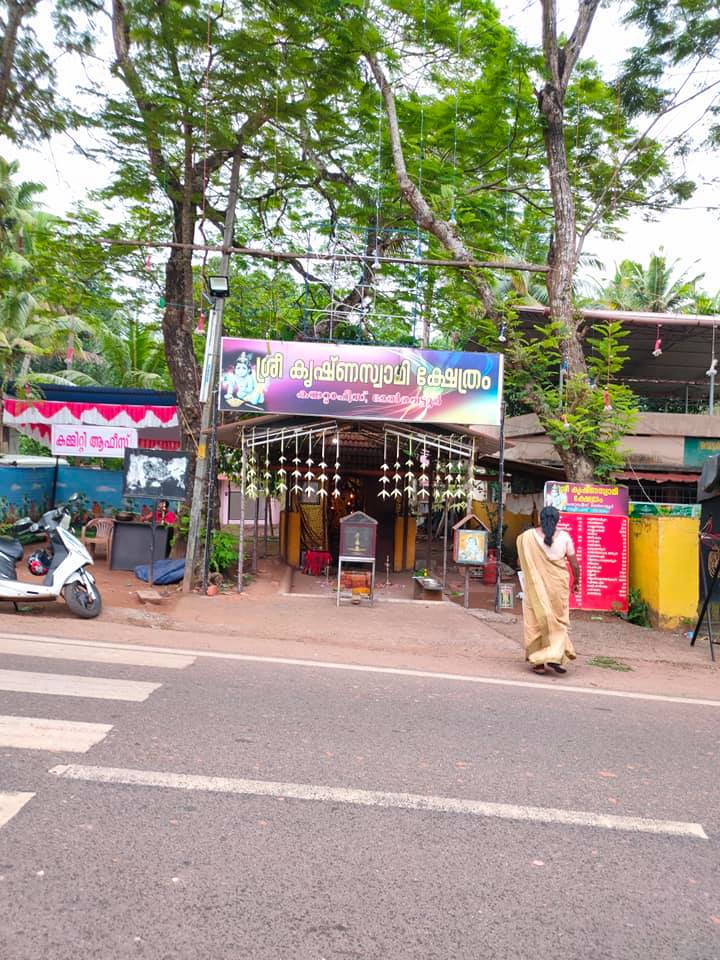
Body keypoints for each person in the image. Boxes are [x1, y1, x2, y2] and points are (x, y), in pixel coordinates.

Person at [516, 506, 580, 676]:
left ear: (540, 519)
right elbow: (574, 564)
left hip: (535, 587)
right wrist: (577, 582)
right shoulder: (565, 537)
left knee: (536, 620)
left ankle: (538, 663)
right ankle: (554, 656)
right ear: (557, 520)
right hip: (558, 587)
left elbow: (520, 561)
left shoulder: (527, 537)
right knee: (557, 621)